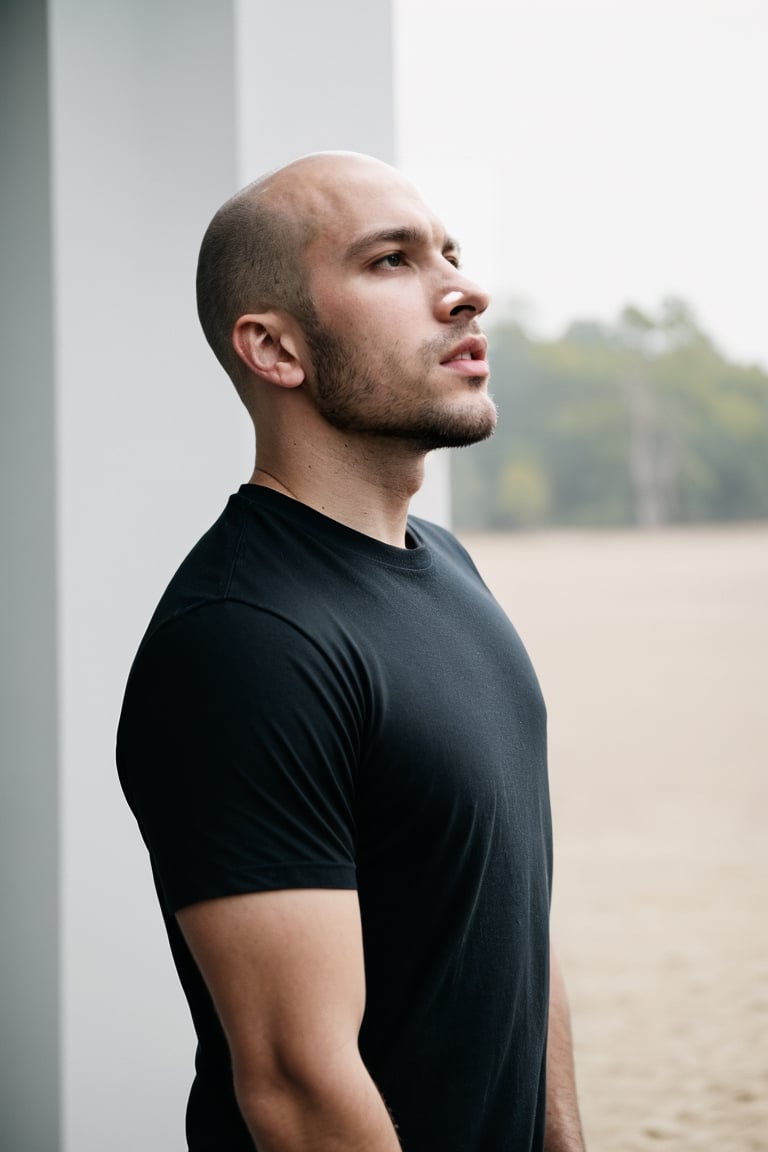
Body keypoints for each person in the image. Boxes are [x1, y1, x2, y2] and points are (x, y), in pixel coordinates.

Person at [117, 151, 585, 1152]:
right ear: (274, 349)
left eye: (450, 252)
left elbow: (507, 923)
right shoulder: (246, 644)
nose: (465, 289)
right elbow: (296, 1084)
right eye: (391, 261)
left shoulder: (445, 565)